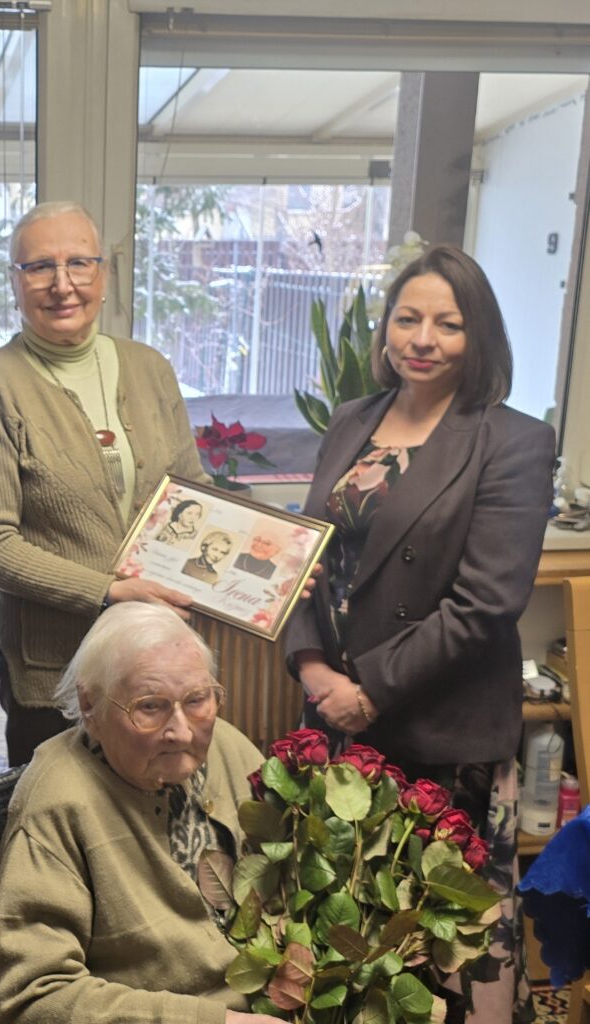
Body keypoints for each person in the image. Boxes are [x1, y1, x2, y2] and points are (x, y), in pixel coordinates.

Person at [285, 244, 555, 1022]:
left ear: (481, 338)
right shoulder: (351, 420)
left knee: (443, 946)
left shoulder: (513, 441)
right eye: (408, 318)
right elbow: (304, 557)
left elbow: (485, 602)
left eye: (448, 323)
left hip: (437, 731)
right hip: (333, 721)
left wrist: (367, 688)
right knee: (346, 934)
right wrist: (311, 667)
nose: (422, 338)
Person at [0, 201, 209, 766]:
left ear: (105, 276)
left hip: (158, 662)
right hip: (56, 675)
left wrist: (265, 582)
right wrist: (106, 591)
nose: (62, 285)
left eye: (79, 264)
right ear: (14, 284)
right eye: (39, 267)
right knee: (56, 831)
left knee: (157, 827)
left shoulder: (150, 368)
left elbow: (191, 494)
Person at [0, 601, 279, 1024]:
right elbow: (29, 1000)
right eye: (150, 707)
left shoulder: (228, 746)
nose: (181, 731)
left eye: (197, 699)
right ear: (90, 705)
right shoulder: (58, 800)